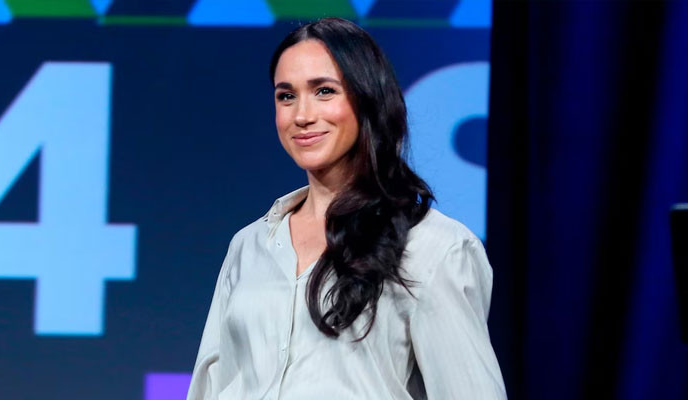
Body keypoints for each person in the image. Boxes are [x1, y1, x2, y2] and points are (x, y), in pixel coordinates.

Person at [187, 17, 506, 400]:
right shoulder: (250, 245)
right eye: (286, 96)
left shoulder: (433, 247)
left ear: (367, 97)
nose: (302, 115)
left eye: (324, 91)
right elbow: (210, 386)